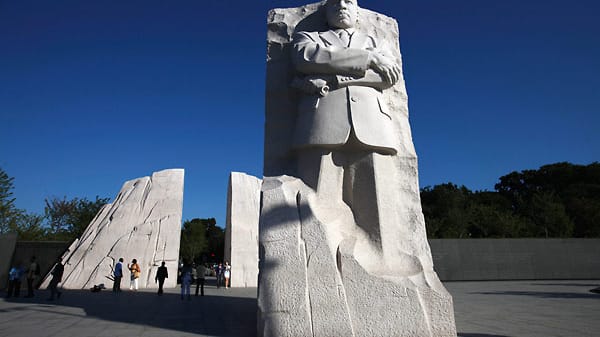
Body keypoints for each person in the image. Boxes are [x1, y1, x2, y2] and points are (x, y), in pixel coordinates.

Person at [290, 0, 401, 266]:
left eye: (349, 1)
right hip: (323, 123)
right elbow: (306, 58)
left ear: (358, 11)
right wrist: (368, 60)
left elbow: (388, 77)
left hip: (372, 125)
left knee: (378, 207)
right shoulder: (309, 37)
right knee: (317, 202)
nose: (341, 4)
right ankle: (319, 264)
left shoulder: (377, 42)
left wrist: (336, 79)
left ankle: (385, 263)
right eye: (334, 2)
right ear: (325, 12)